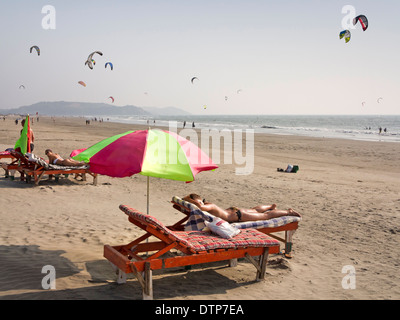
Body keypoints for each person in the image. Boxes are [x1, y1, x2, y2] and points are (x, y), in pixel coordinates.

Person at [183, 193, 301, 223]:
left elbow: (202, 208)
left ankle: (287, 212)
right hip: (235, 212)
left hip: (237, 216)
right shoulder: (208, 204)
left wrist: (196, 202)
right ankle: (270, 206)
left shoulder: (208, 206)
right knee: (255, 210)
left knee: (266, 216)